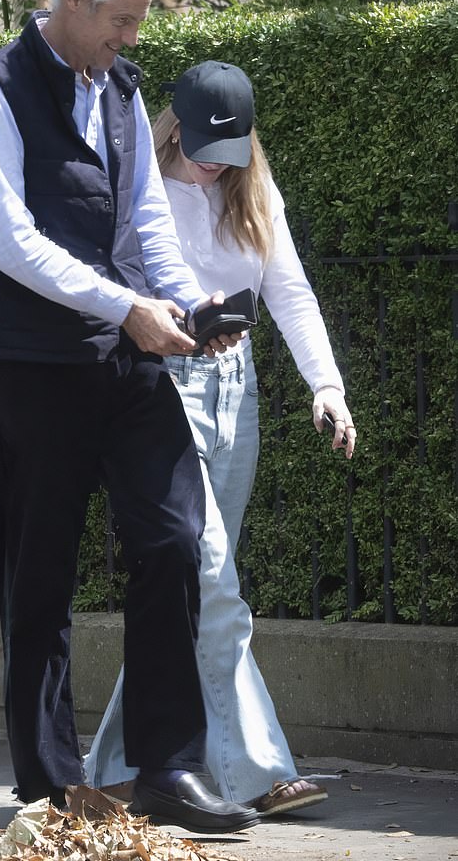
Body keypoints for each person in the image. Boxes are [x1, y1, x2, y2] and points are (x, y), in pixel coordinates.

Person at [0, 0, 260, 834]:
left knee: (171, 539)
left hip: (124, 364)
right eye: (121, 21)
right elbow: (6, 238)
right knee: (37, 574)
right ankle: (48, 789)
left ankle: (170, 769)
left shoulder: (118, 91)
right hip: (34, 367)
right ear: (73, 1)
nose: (131, 39)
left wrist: (183, 303)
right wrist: (123, 307)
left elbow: (142, 225)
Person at [84, 60, 357, 817]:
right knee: (212, 580)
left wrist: (326, 385)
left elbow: (290, 291)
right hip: (163, 389)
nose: (214, 165)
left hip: (237, 392)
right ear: (175, 125)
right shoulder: (141, 185)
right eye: (204, 148)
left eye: (229, 153)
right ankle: (262, 774)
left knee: (190, 595)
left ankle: (114, 770)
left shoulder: (252, 190)